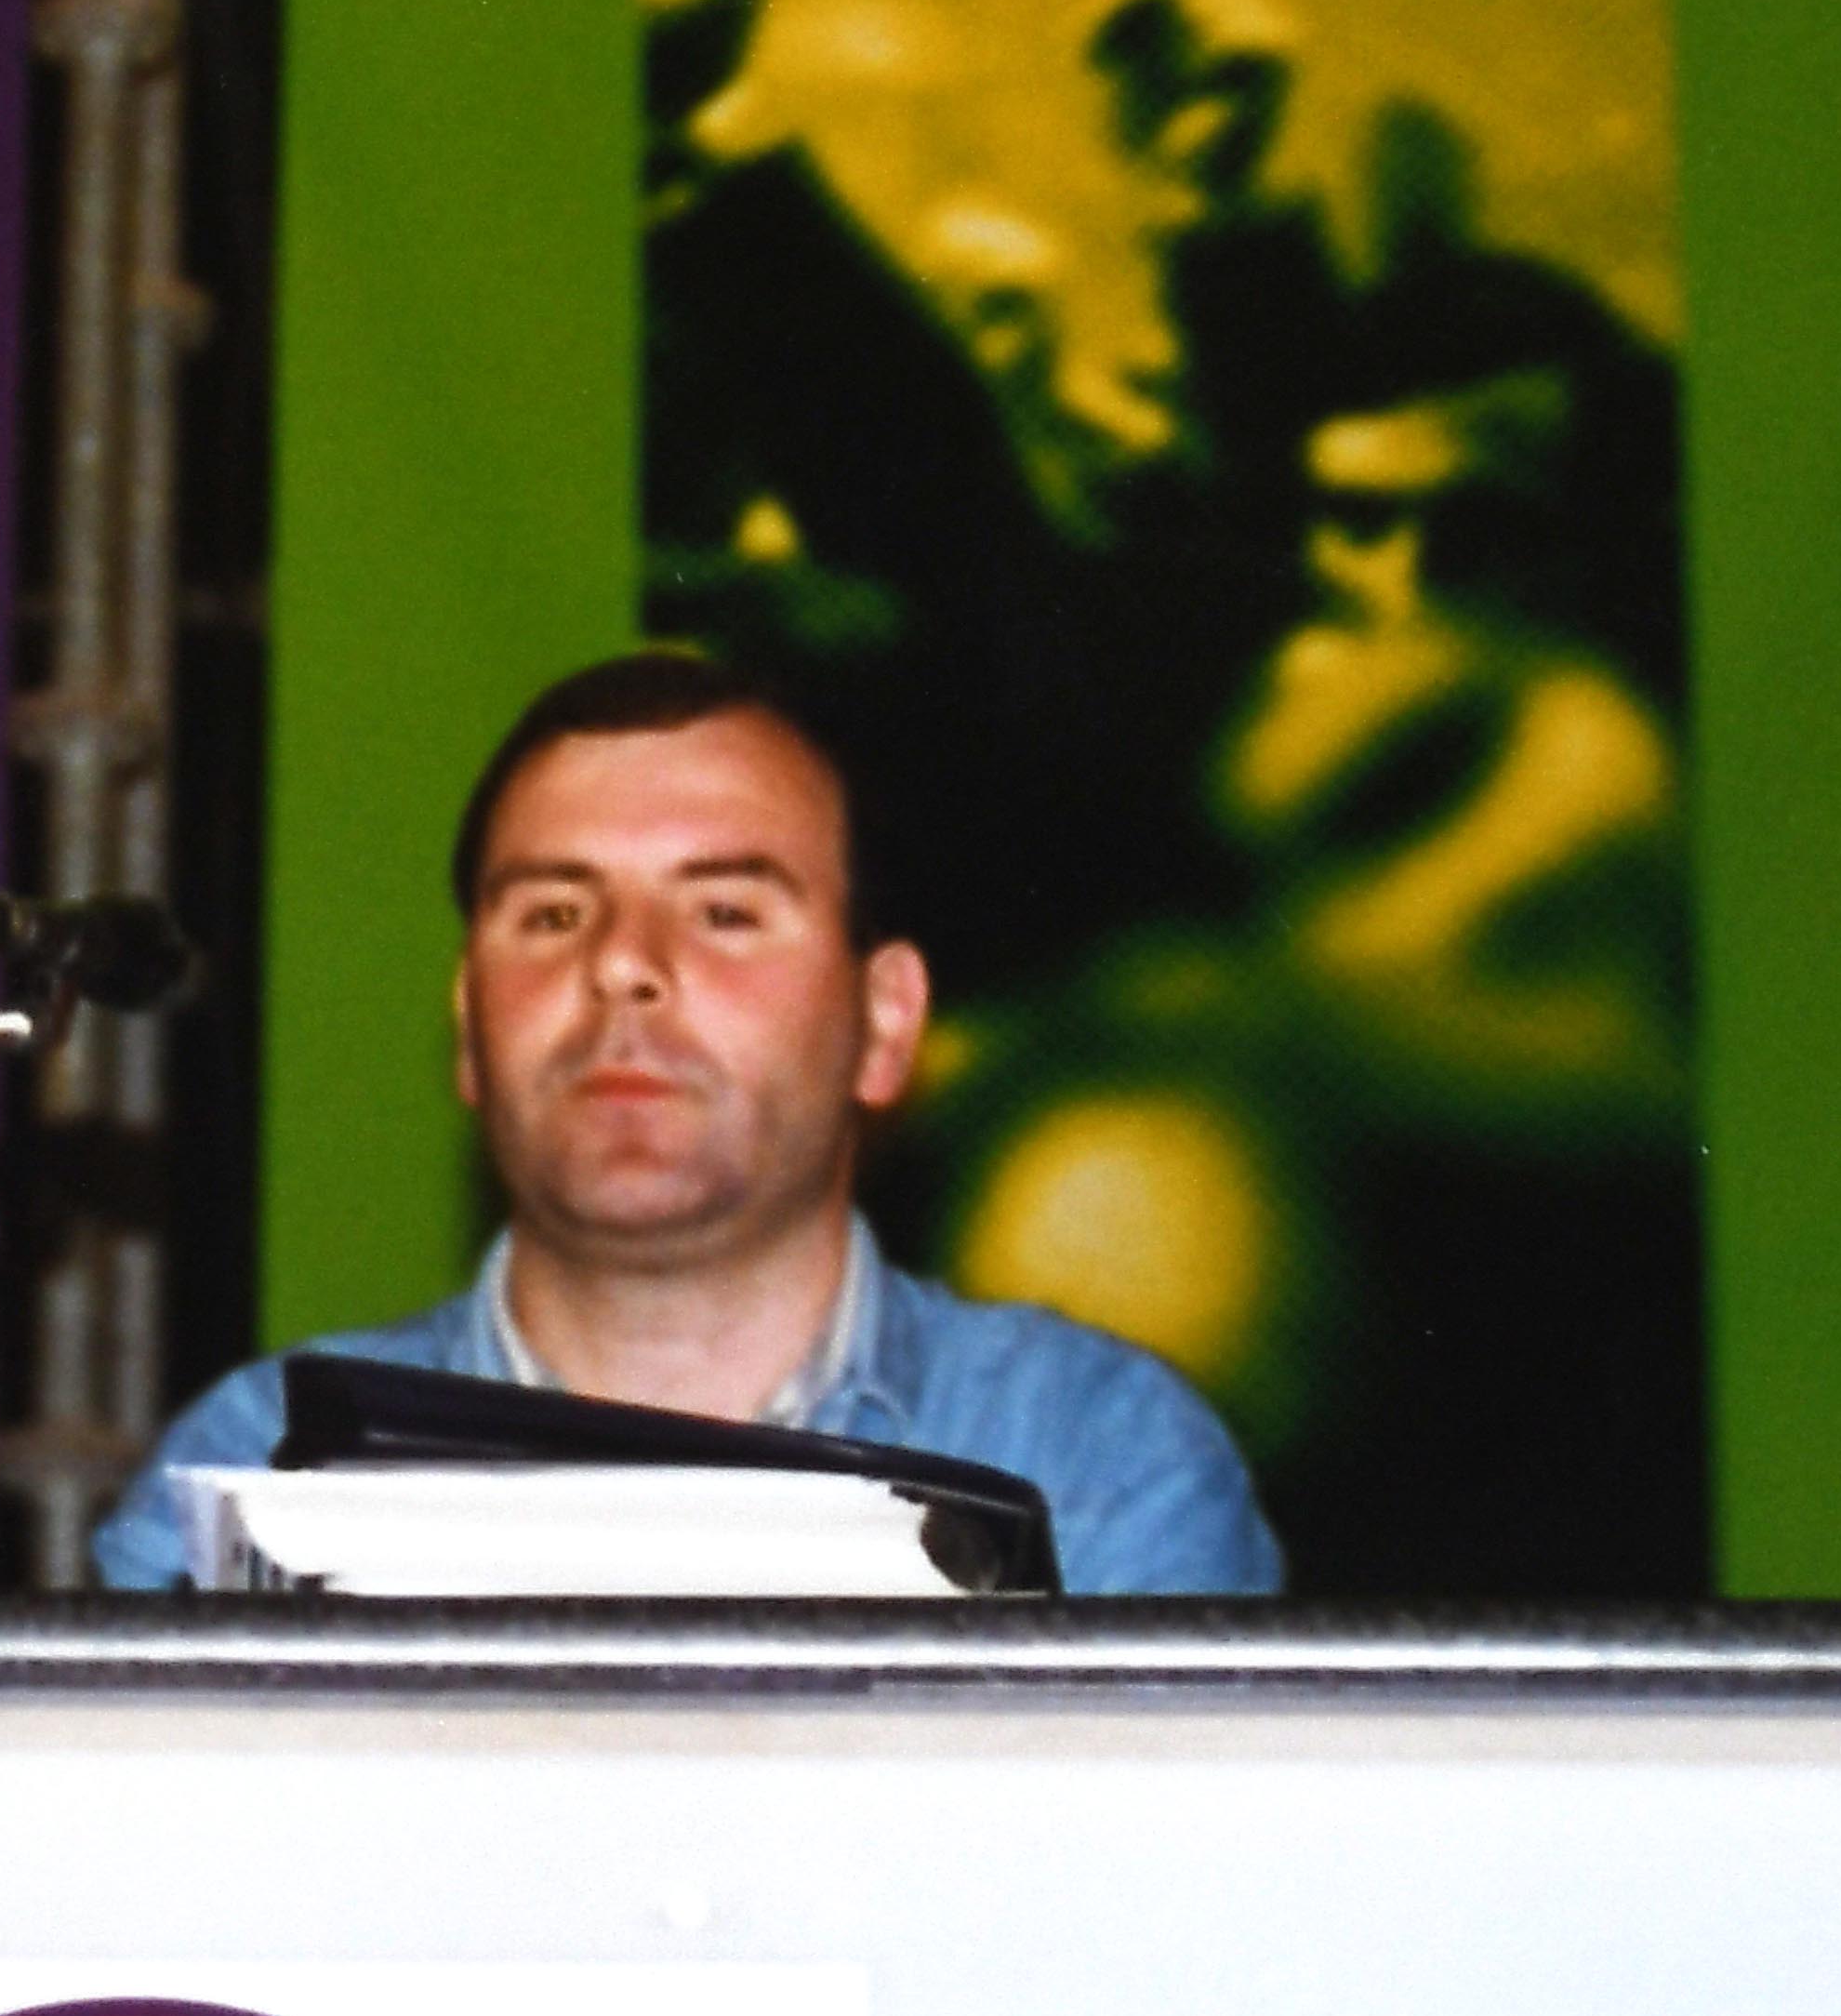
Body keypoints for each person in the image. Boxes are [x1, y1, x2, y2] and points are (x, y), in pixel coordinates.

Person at [93, 653, 1282, 1593]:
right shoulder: (256, 1463)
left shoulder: (1095, 1459)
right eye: (553, 913)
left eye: (723, 911)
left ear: (884, 1022)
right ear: (467, 1027)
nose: (622, 963)